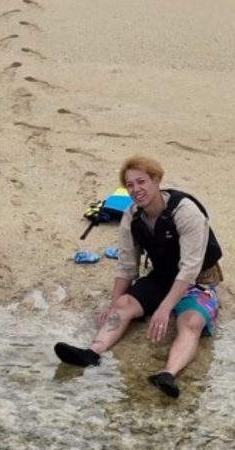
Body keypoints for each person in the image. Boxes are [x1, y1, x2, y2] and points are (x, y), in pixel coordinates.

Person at [54, 155, 223, 398]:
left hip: (197, 279)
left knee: (191, 322)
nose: (136, 190)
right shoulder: (132, 215)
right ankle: (92, 353)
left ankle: (168, 374)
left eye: (141, 182)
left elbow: (190, 268)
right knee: (123, 304)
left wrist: (165, 308)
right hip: (163, 276)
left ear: (157, 180)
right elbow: (126, 266)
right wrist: (113, 305)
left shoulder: (186, 213)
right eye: (130, 185)